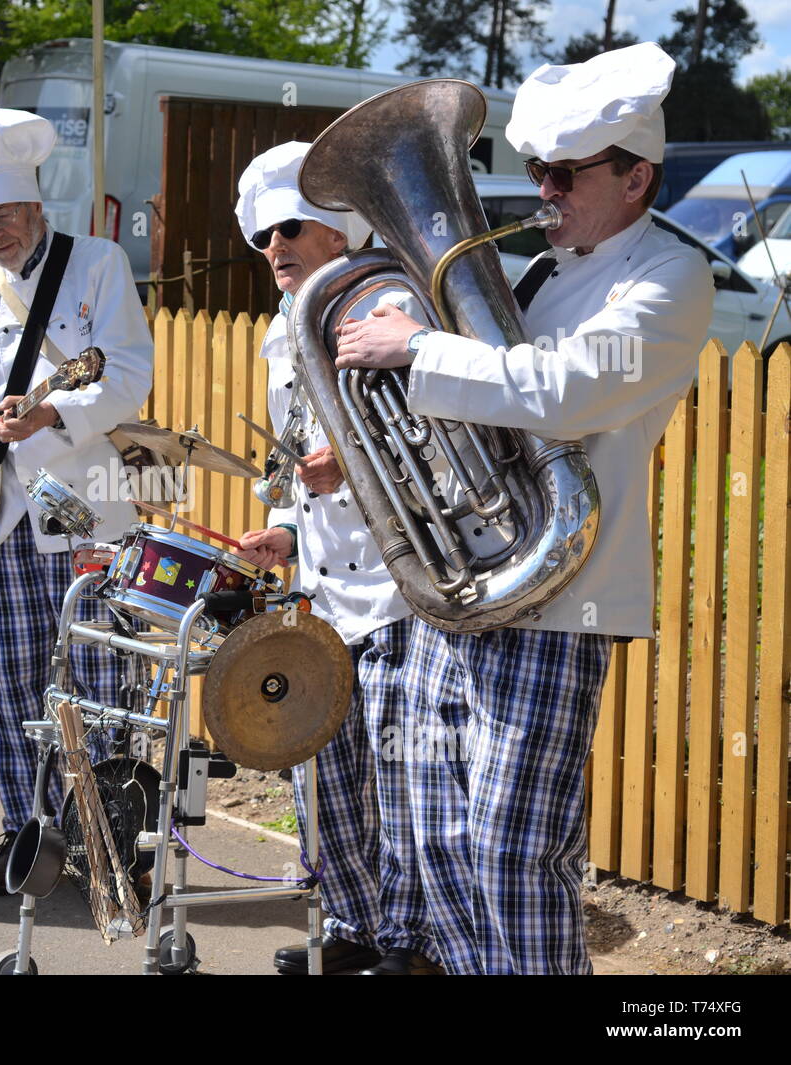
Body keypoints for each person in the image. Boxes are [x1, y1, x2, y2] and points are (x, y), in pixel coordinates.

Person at [333, 43, 714, 974]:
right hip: (459, 588)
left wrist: (418, 351)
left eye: (563, 173)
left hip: (559, 595)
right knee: (435, 840)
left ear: (637, 178)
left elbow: (563, 392)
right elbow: (473, 409)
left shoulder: (668, 277)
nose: (541, 188)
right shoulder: (536, 271)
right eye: (536, 167)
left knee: (510, 852)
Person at [0, 106, 153, 894]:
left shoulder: (99, 264)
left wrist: (52, 412)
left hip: (86, 519)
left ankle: (110, 847)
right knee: (10, 689)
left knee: (102, 688)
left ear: (37, 206)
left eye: (4, 218)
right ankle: (25, 836)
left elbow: (129, 374)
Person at [233, 142, 442, 975]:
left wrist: (349, 469)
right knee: (323, 768)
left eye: (292, 227)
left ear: (336, 232)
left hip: (396, 584)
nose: (276, 245)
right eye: (263, 236)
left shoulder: (382, 301)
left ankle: (407, 941)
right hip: (321, 582)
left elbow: (430, 441)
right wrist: (284, 526)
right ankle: (352, 925)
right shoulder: (284, 329)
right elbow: (296, 455)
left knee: (395, 780)